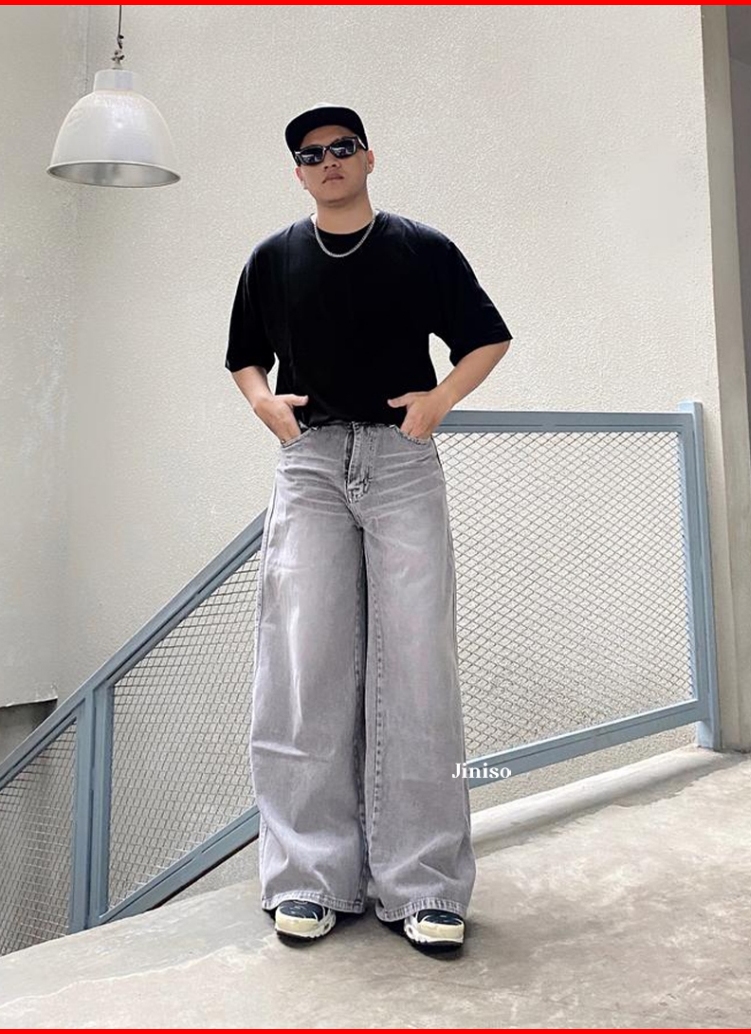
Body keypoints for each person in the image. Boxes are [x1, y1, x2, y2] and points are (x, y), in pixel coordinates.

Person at [225, 103, 511, 952]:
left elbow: (486, 339)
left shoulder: (420, 248)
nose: (329, 161)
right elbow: (244, 355)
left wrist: (440, 401)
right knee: (304, 664)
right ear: (299, 172)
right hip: (310, 467)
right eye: (312, 154)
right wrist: (265, 406)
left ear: (369, 157)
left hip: (400, 462)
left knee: (417, 665)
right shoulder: (272, 258)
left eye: (343, 147)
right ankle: (308, 877)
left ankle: (424, 884)